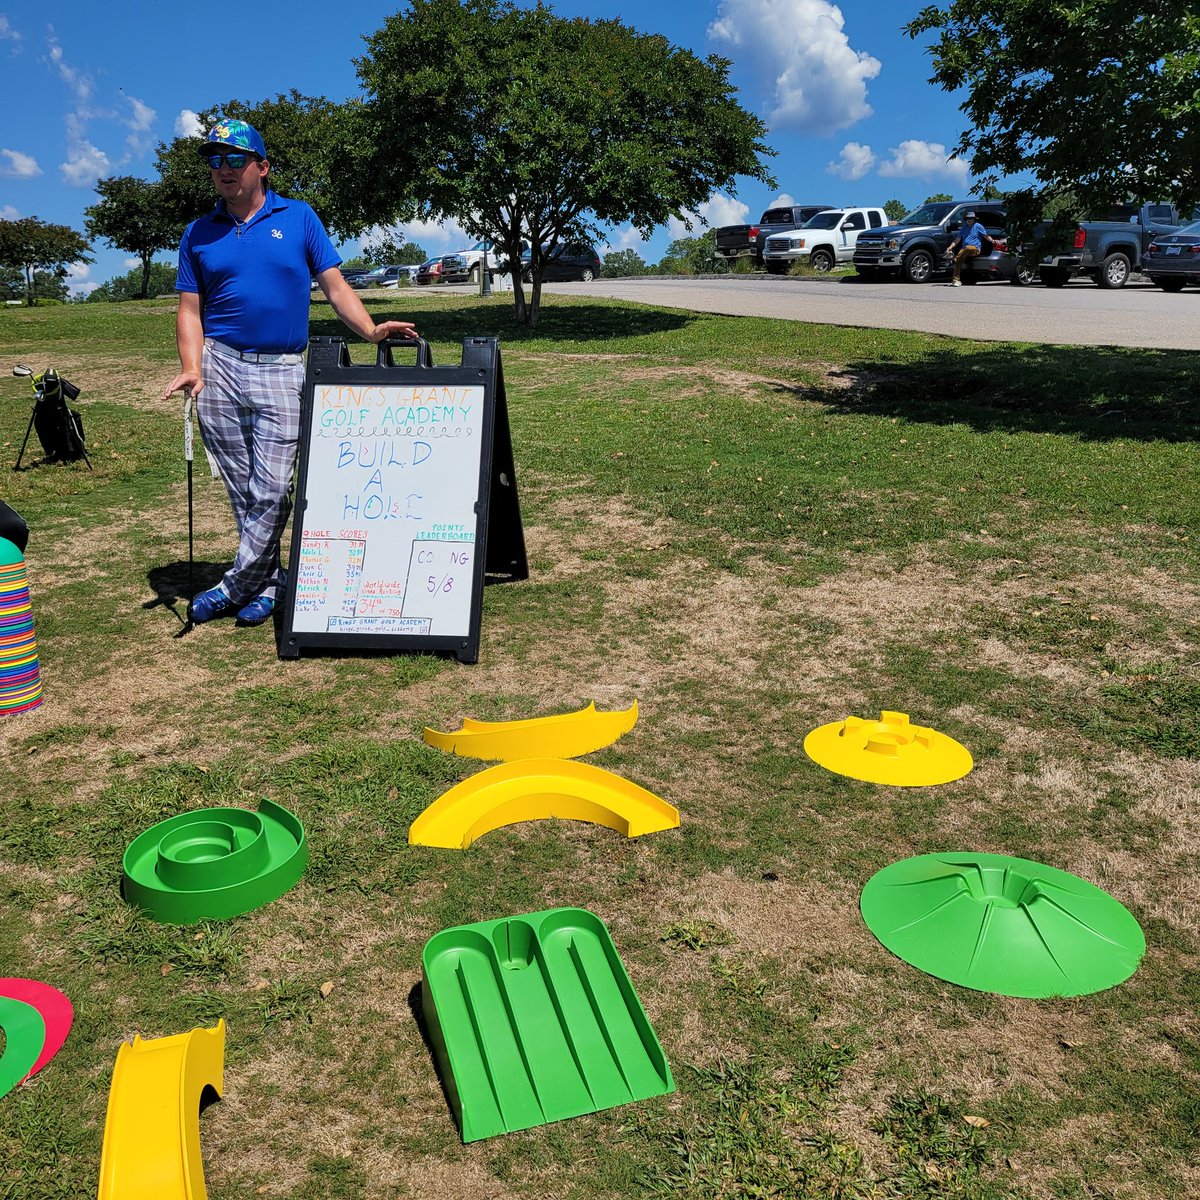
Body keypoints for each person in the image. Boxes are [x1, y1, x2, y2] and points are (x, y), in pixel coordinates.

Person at [161, 119, 418, 626]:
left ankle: (236, 583)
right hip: (219, 366)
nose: (224, 170)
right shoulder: (198, 232)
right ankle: (272, 582)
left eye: (236, 160)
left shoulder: (298, 218)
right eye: (216, 161)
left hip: (281, 368)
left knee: (274, 490)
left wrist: (369, 330)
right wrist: (191, 367)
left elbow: (335, 284)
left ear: (262, 167)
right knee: (243, 491)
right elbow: (189, 309)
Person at [944, 210, 988, 286]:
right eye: (967, 219)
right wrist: (950, 247)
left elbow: (986, 236)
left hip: (975, 249)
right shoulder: (964, 228)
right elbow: (957, 239)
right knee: (958, 262)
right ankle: (956, 281)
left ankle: (953, 260)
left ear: (974, 219)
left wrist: (993, 241)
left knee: (967, 248)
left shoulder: (978, 226)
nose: (969, 220)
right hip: (964, 251)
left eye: (971, 219)